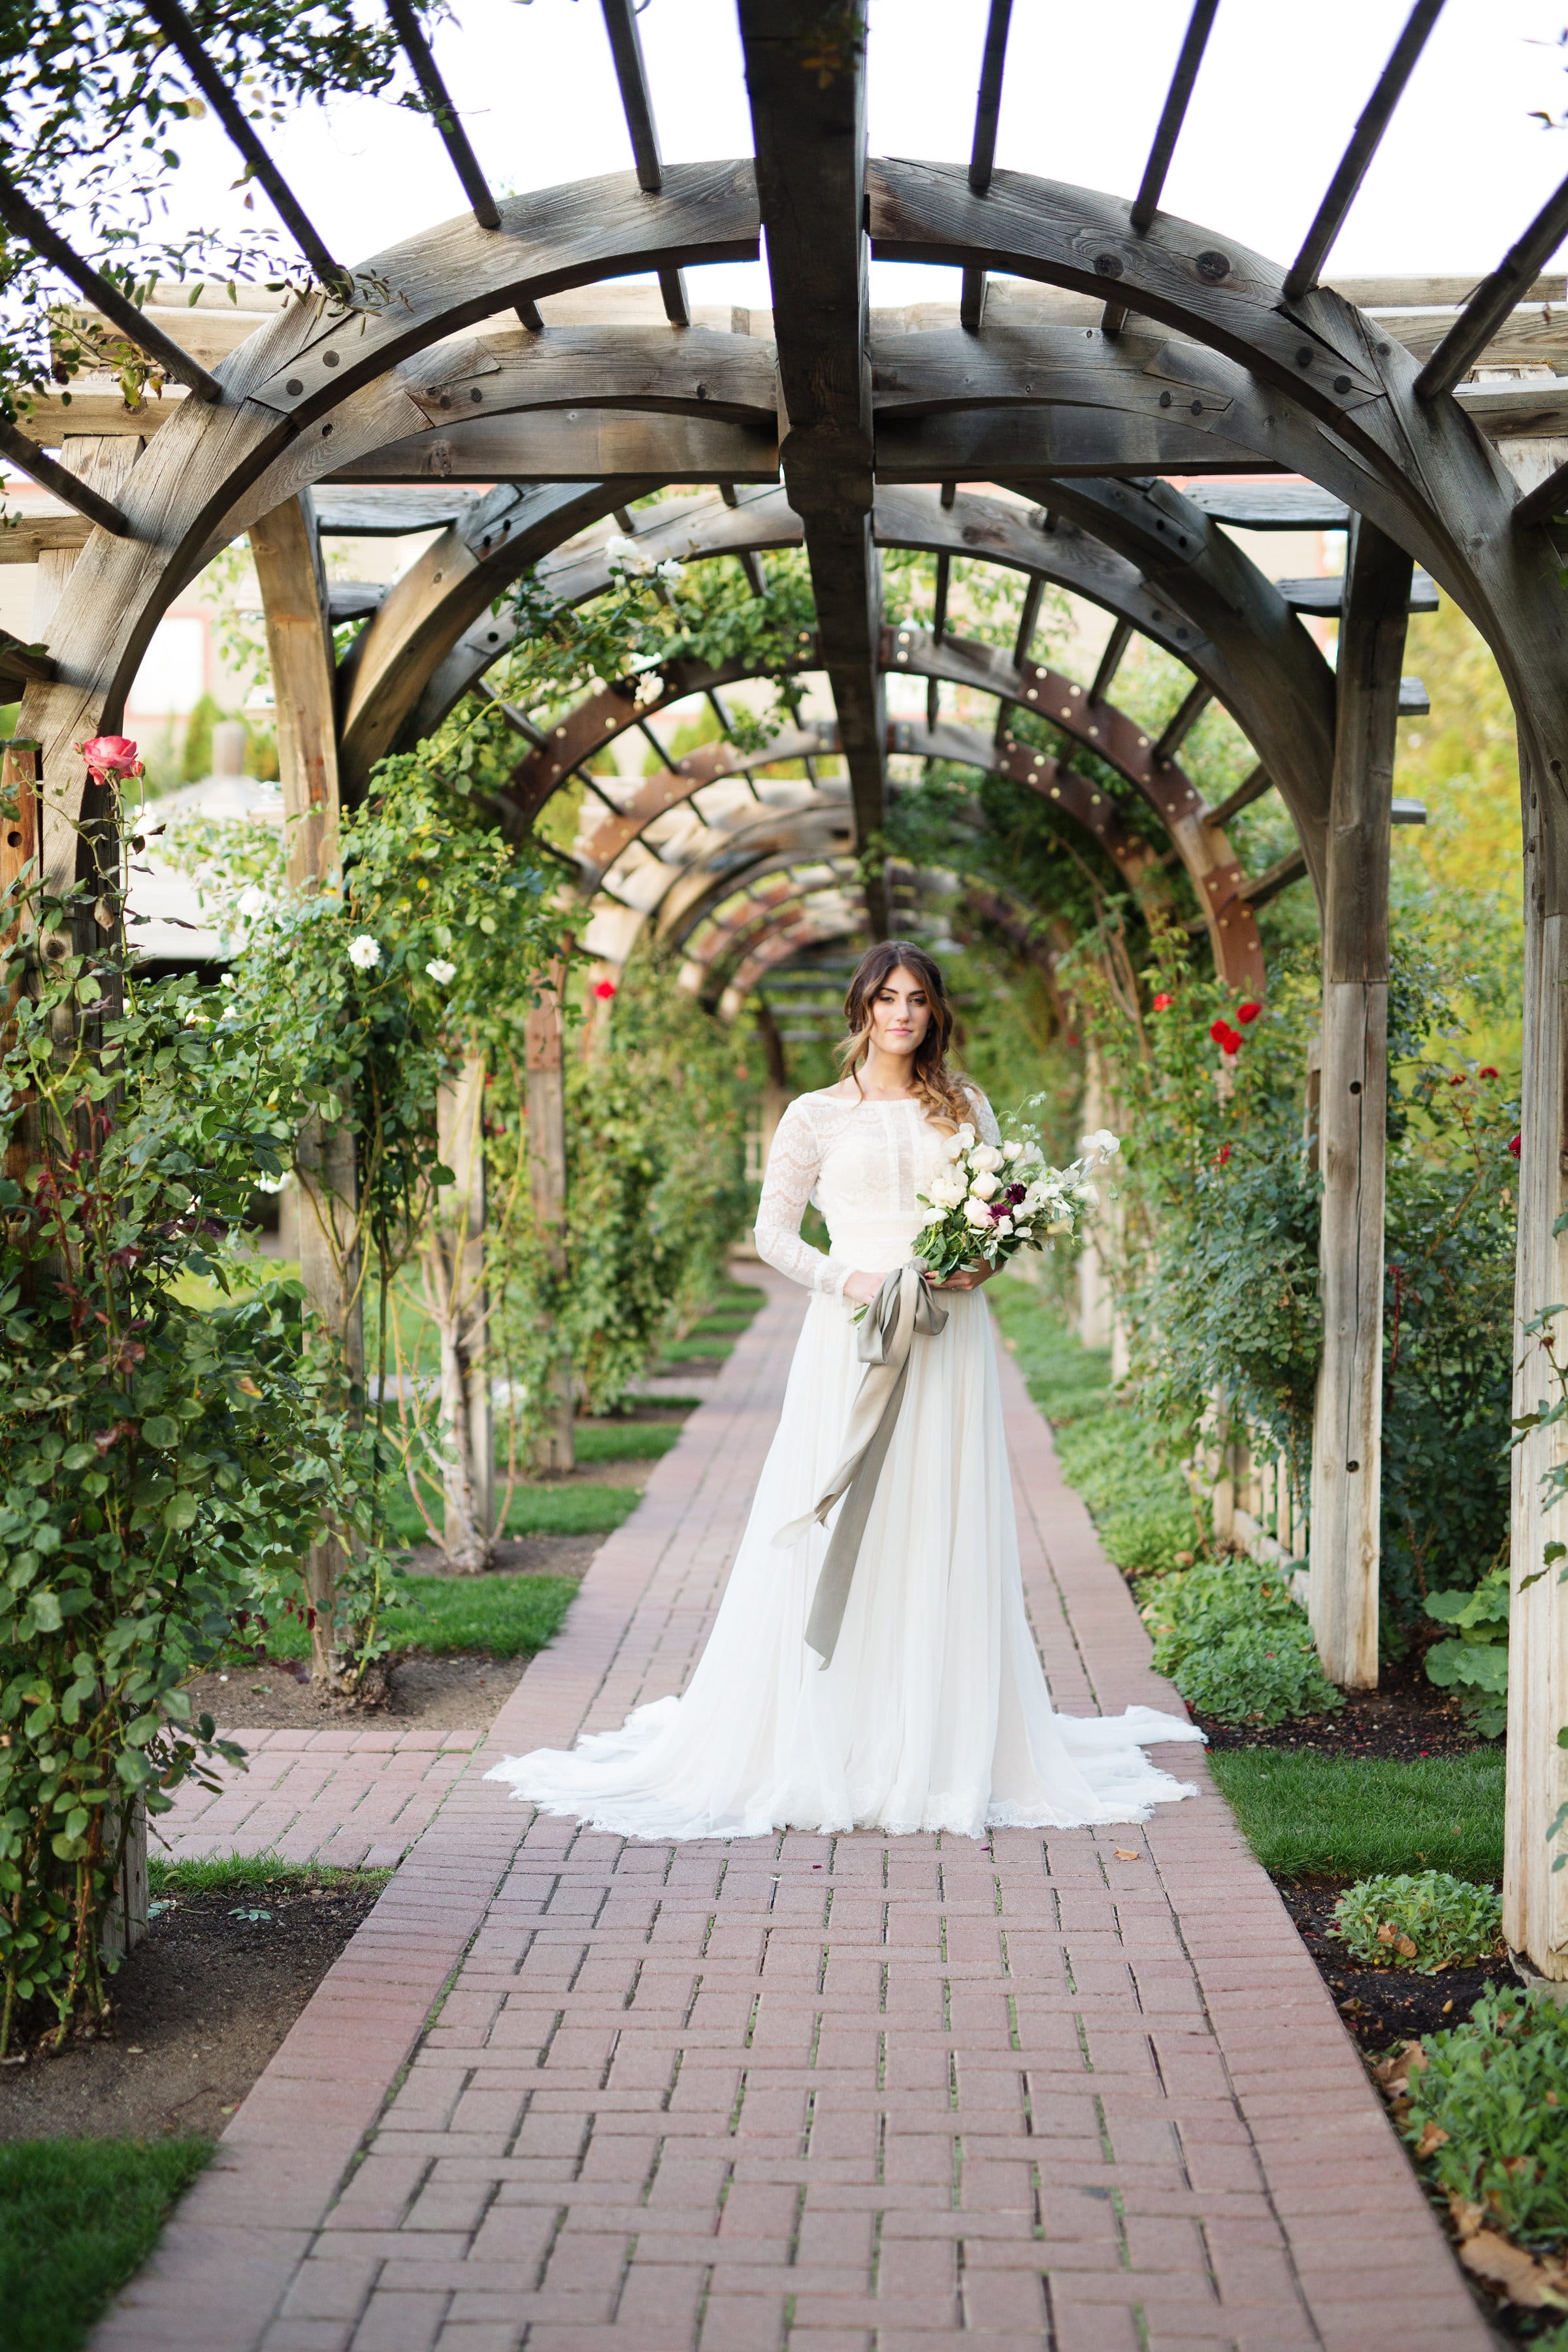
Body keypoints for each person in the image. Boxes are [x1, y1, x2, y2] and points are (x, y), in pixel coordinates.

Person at [487, 940, 1203, 1840]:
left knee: (937, 1516)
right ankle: (831, 1727)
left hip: (949, 1336)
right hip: (854, 1333)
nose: (902, 1014)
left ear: (935, 1011)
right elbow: (774, 1234)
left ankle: (939, 1735)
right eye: (886, 999)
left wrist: (980, 1265)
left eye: (917, 1000)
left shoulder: (967, 1106)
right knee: (841, 1515)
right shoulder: (814, 1116)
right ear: (861, 1011)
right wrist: (851, 1282)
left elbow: (999, 1217)